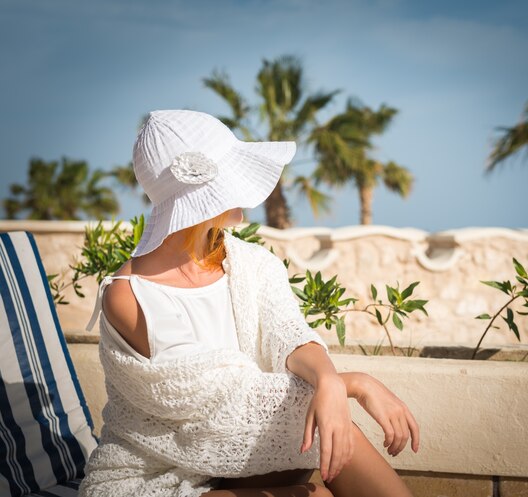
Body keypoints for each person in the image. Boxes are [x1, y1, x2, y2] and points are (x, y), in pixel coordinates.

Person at [79, 109, 420, 497]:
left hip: (231, 465)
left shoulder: (251, 264)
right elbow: (225, 402)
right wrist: (355, 384)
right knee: (318, 474)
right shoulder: (131, 295)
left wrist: (328, 381)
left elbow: (289, 335)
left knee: (326, 415)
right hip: (154, 479)